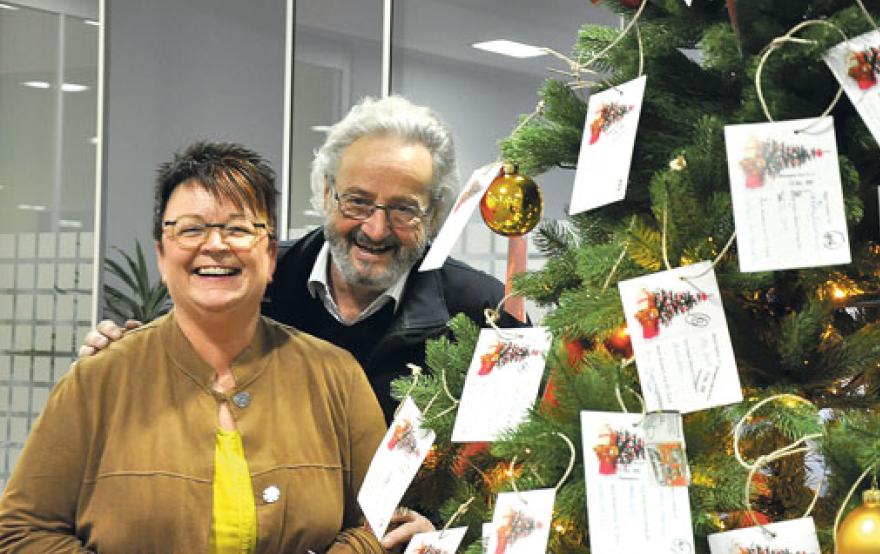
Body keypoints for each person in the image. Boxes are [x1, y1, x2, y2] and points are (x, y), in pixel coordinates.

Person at [0, 142, 388, 553]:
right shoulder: (98, 380)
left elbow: (381, 520)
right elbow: (22, 531)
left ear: (271, 256)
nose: (215, 244)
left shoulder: (336, 376)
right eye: (191, 229)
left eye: (238, 228)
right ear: (162, 257)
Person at [82, 96, 526, 421]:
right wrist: (121, 354)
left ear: (435, 213)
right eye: (357, 201)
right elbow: (172, 367)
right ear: (326, 192)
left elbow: (517, 457)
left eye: (404, 208)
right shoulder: (250, 278)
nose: (376, 228)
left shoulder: (487, 313)